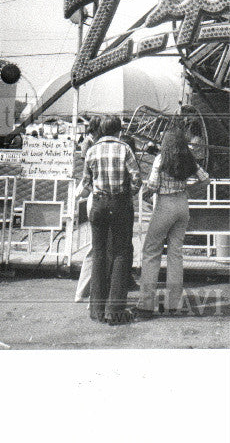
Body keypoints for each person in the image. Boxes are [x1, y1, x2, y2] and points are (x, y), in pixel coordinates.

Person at [136, 127, 209, 318]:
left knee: (151, 252)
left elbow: (152, 185)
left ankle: (145, 304)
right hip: (182, 204)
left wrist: (145, 191)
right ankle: (173, 304)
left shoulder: (161, 159)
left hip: (165, 205)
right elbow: (206, 179)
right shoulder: (188, 158)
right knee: (175, 254)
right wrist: (188, 189)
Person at [76, 114, 140, 325]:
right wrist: (127, 193)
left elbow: (86, 182)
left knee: (99, 254)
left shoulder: (92, 150)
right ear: (119, 130)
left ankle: (96, 310)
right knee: (121, 254)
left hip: (98, 204)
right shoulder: (125, 149)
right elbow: (137, 179)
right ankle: (115, 311)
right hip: (119, 204)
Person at [73, 116, 103, 304]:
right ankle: (91, 290)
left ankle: (86, 290)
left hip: (94, 197)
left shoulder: (93, 146)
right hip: (99, 196)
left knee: (96, 245)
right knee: (97, 246)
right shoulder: (90, 147)